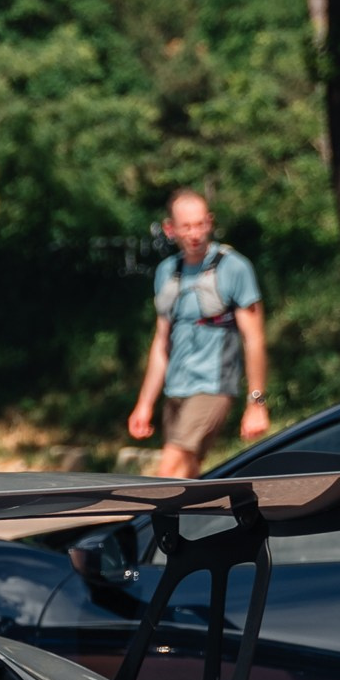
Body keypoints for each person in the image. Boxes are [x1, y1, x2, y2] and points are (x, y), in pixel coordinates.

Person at [126, 188, 268, 478]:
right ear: (171, 229)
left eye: (201, 224)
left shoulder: (234, 267)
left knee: (169, 470)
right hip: (176, 387)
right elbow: (161, 343)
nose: (195, 234)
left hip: (213, 386)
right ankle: (184, 524)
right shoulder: (168, 271)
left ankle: (138, 523)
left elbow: (254, 338)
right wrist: (144, 403)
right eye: (187, 226)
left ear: (210, 222)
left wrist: (257, 403)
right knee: (185, 477)